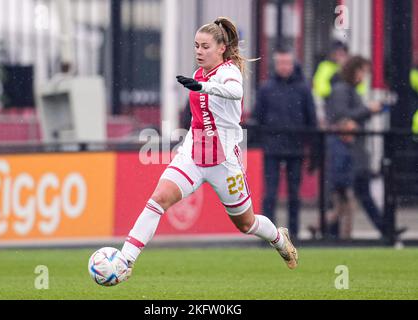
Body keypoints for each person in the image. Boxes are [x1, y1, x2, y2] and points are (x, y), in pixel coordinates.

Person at [119, 17, 298, 282]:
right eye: (196, 46)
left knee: (246, 224)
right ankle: (125, 260)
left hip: (224, 162)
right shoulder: (197, 74)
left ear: (221, 48)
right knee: (159, 198)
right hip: (192, 154)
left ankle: (279, 239)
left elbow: (234, 93)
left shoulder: (229, 72)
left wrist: (204, 87)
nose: (199, 51)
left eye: (205, 46)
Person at [254, 47, 317, 239]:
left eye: (287, 63)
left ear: (293, 63)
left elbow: (311, 119)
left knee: (293, 194)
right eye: (280, 63)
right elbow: (258, 117)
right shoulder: (266, 88)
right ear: (275, 64)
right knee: (270, 193)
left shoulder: (303, 89)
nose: (284, 67)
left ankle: (294, 233)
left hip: (295, 148)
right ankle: (268, 234)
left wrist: (312, 147)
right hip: (272, 148)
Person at [324, 56, 384, 239]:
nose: (364, 77)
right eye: (362, 72)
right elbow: (343, 117)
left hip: (350, 153)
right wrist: (368, 110)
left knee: (346, 199)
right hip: (346, 153)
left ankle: (330, 233)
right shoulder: (342, 89)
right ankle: (328, 232)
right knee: (345, 199)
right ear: (354, 70)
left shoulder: (347, 90)